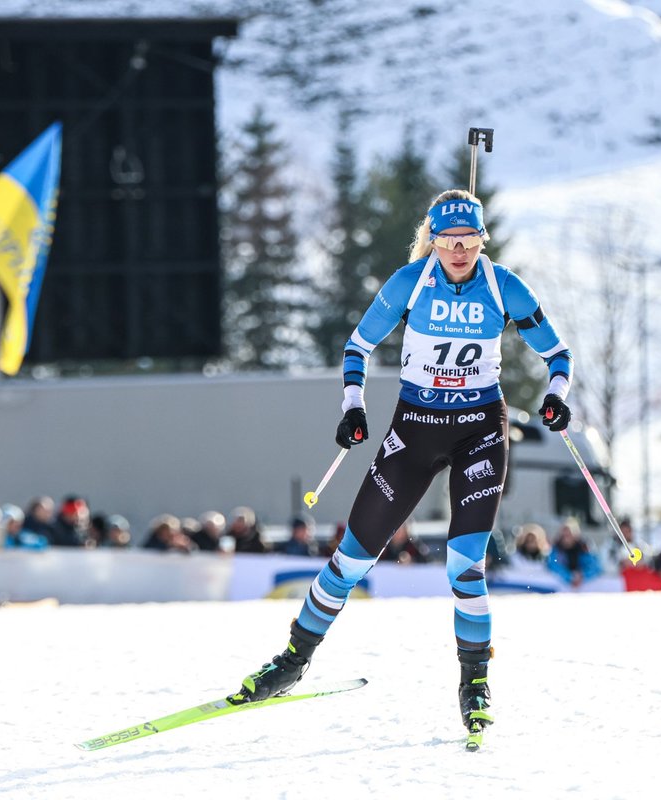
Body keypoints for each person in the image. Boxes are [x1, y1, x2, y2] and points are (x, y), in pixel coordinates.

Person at [230, 188, 574, 743]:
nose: (458, 251)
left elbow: (558, 354)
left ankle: (475, 685)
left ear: (480, 241)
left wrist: (557, 396)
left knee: (465, 567)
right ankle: (293, 660)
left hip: (480, 433)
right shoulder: (409, 282)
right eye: (448, 241)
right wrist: (352, 405)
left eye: (467, 241)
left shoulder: (502, 285)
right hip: (413, 433)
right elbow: (356, 348)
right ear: (433, 241)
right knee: (350, 559)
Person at [546, 517, 602, 588]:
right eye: (564, 534)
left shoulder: (585, 548)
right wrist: (570, 577)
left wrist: (582, 576)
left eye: (569, 534)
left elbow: (595, 566)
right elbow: (553, 565)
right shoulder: (556, 549)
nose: (567, 537)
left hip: (584, 587)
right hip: (563, 586)